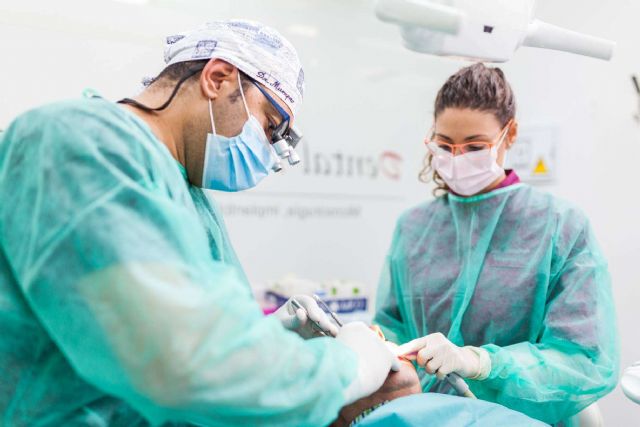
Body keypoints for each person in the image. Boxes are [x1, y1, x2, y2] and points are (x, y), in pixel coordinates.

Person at [0, 20, 397, 426]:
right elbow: (183, 365)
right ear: (218, 78)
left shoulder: (190, 197)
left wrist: (269, 347)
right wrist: (347, 368)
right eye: (271, 125)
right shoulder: (81, 145)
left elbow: (188, 340)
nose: (273, 152)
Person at [374, 63, 619, 425]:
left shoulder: (560, 227)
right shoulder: (413, 228)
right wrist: (375, 343)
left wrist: (481, 363)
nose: (457, 160)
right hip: (426, 415)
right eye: (445, 146)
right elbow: (393, 324)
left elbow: (582, 359)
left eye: (475, 146)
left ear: (510, 134)